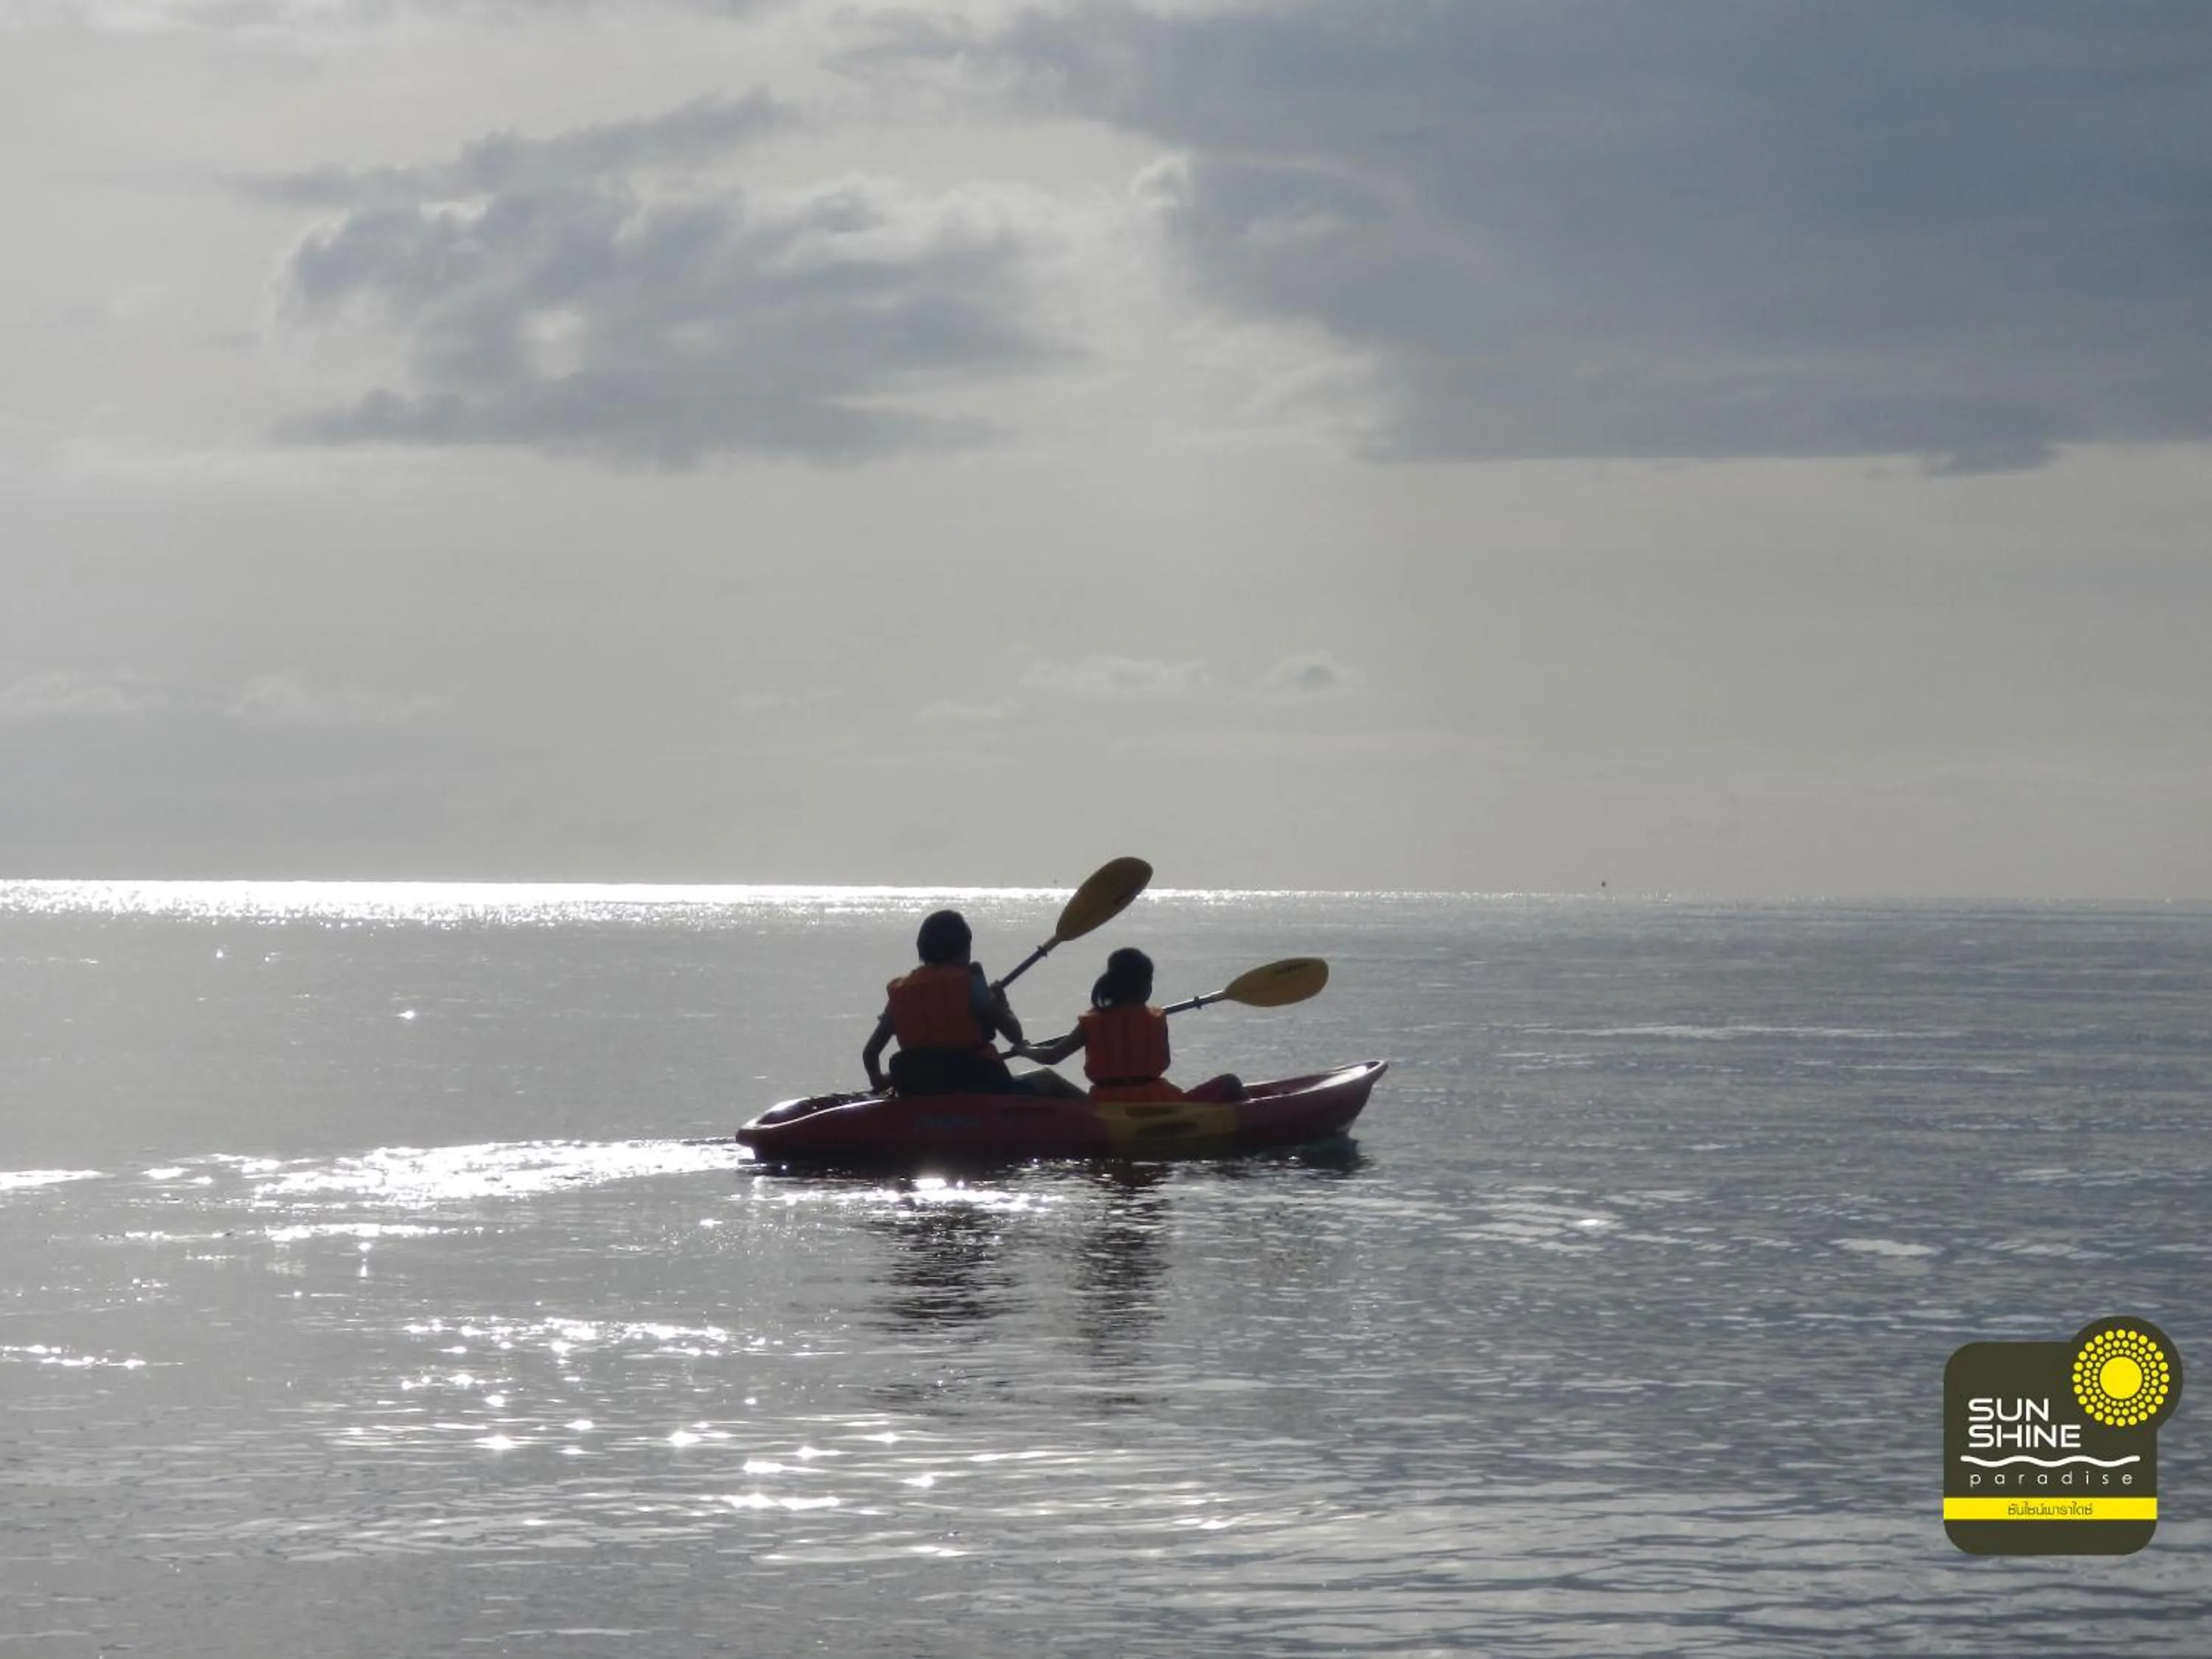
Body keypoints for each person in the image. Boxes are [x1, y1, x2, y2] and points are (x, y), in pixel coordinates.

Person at [861, 909, 1085, 1098]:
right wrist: (1003, 1003)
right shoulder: (971, 985)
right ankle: (1100, 1117)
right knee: (1047, 1080)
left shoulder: (901, 993)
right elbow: (1015, 1035)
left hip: (921, 1089)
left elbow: (870, 1053)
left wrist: (880, 1080)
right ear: (963, 949)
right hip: (982, 1087)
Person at [1013, 947, 1242, 1103]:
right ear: (1145, 986)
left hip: (1106, 1106)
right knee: (1230, 1082)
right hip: (1159, 1101)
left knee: (1044, 1078)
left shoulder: (1092, 1022)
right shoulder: (1156, 1018)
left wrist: (1024, 1049)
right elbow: (1164, 1062)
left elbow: (1053, 1056)